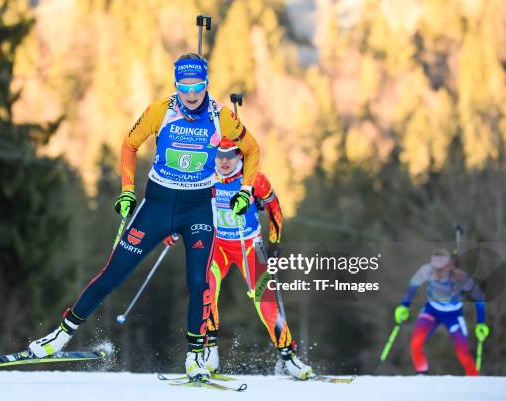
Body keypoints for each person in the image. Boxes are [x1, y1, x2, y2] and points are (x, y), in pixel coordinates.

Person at [29, 53, 261, 381]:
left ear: (207, 84)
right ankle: (61, 334)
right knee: (114, 273)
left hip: (198, 208)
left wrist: (245, 191)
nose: (191, 94)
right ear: (176, 84)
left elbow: (252, 150)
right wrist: (127, 189)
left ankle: (195, 355)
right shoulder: (159, 110)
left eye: (197, 86)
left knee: (199, 281)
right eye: (184, 86)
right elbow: (129, 144)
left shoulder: (221, 117)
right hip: (158, 204)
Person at [201, 138, 311, 379]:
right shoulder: (206, 175)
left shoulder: (254, 179)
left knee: (267, 304)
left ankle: (290, 358)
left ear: (240, 156)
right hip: (218, 245)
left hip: (250, 246)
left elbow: (275, 209)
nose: (225, 161)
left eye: (230, 155)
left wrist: (275, 242)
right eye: (220, 155)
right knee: (206, 290)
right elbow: (187, 205)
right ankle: (209, 351)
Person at [393, 248, 489, 375]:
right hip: (432, 310)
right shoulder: (426, 270)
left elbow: (479, 298)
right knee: (416, 343)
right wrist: (404, 306)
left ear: (449, 266)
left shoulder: (459, 277)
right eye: (435, 268)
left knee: (462, 352)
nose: (437, 273)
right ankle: (421, 374)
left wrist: (480, 322)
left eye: (441, 269)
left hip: (453, 315)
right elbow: (412, 287)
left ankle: (474, 377)